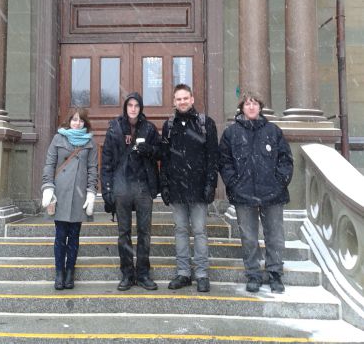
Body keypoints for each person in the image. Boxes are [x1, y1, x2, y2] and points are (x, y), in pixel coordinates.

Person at [219, 92, 294, 294]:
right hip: (244, 194)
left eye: (255, 104)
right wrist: (234, 184)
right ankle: (253, 274)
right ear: (242, 108)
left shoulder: (273, 131)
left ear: (260, 107)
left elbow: (285, 160)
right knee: (249, 237)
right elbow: (225, 162)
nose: (251, 107)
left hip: (273, 194)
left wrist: (280, 182)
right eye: (247, 104)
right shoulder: (231, 133)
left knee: (275, 236)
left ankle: (275, 273)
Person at [161, 84, 219, 293]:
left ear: (192, 99)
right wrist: (164, 185)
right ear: (174, 102)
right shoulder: (169, 126)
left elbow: (213, 157)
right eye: (179, 99)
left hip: (198, 188)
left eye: (186, 98)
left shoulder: (205, 124)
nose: (183, 102)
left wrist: (211, 184)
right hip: (177, 189)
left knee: (200, 232)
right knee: (180, 231)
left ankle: (202, 274)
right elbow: (165, 158)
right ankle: (183, 273)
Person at [101, 92, 161, 291]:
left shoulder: (149, 129)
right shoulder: (115, 129)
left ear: (141, 108)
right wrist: (106, 190)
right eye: (130, 105)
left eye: (137, 105)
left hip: (143, 187)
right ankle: (127, 274)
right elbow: (107, 162)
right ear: (125, 107)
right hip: (121, 187)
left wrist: (149, 151)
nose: (133, 108)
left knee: (144, 232)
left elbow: (161, 152)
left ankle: (143, 273)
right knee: (124, 233)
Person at [41, 107, 98, 291]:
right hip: (61, 194)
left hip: (78, 196)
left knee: (74, 237)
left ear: (84, 123)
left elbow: (92, 170)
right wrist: (48, 187)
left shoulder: (90, 143)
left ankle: (70, 272)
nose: (77, 123)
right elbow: (49, 165)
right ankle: (59, 272)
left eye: (81, 120)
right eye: (74, 119)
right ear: (68, 121)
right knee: (60, 237)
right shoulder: (58, 138)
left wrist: (91, 192)